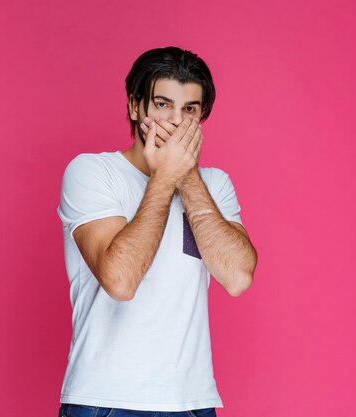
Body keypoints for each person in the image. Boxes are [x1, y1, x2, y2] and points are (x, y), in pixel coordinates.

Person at [56, 46, 257, 417]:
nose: (175, 122)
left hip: (192, 402)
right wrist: (165, 178)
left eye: (189, 110)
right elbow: (120, 281)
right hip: (107, 402)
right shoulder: (92, 173)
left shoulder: (214, 184)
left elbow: (237, 278)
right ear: (135, 106)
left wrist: (189, 179)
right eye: (162, 104)